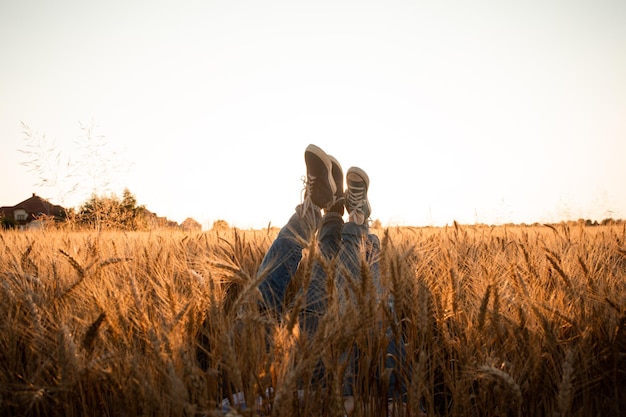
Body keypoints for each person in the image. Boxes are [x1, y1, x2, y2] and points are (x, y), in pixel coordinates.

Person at [257, 144, 407, 415]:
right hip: (368, 395)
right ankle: (355, 220)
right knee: (373, 308)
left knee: (257, 307)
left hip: (290, 389)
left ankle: (321, 209)